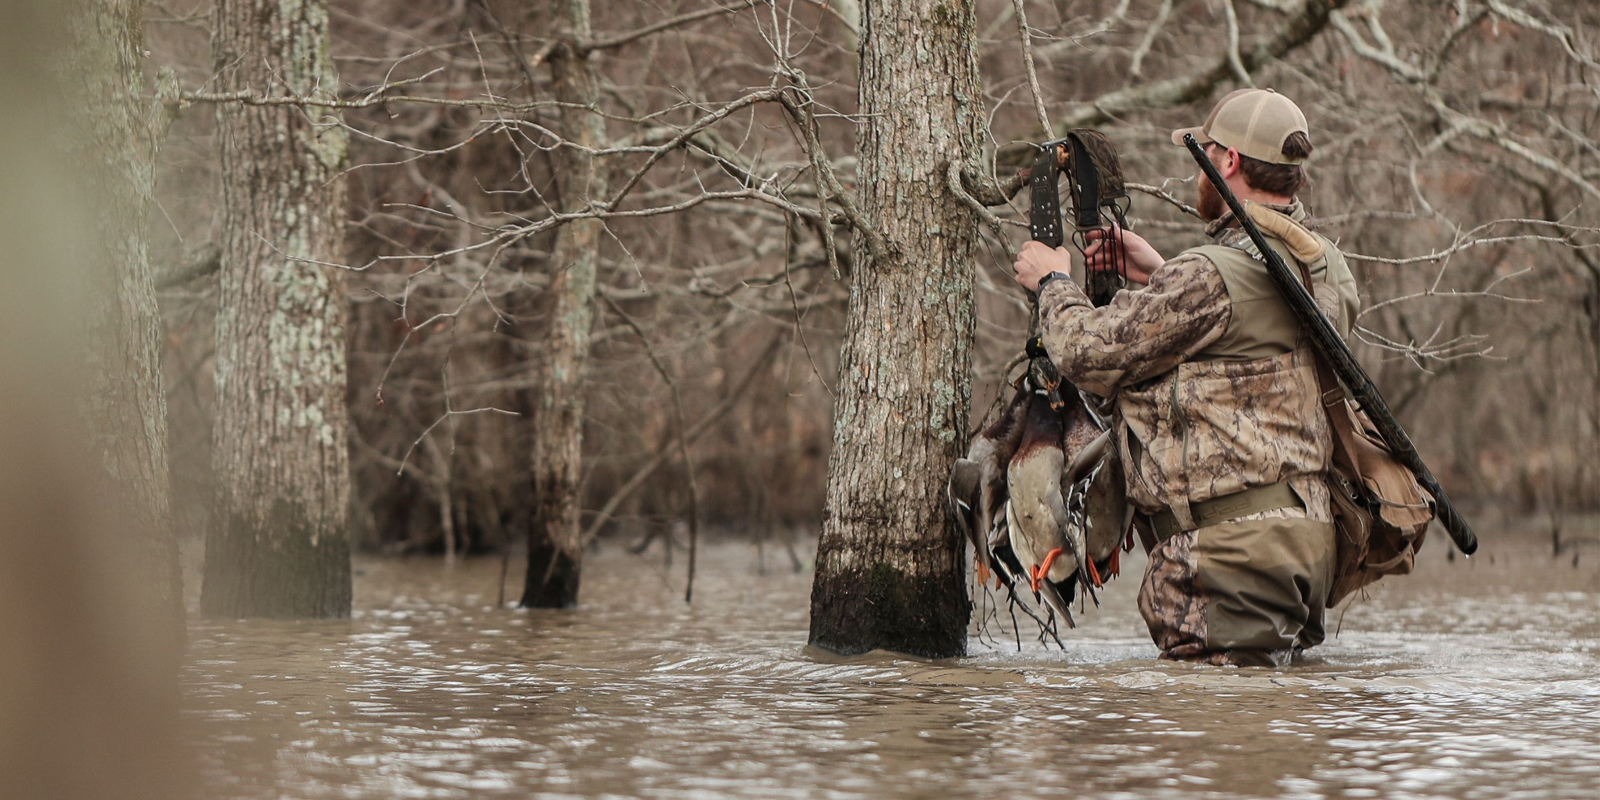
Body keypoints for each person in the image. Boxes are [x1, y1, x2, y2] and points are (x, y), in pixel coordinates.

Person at [1011, 89, 1361, 667]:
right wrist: (1161, 272)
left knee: (1217, 735)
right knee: (1273, 729)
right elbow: (1244, 339)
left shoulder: (1209, 278)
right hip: (1306, 543)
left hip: (1229, 556)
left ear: (1227, 162)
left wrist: (1052, 282)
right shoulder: (1323, 264)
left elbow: (1085, 352)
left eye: (1208, 152)